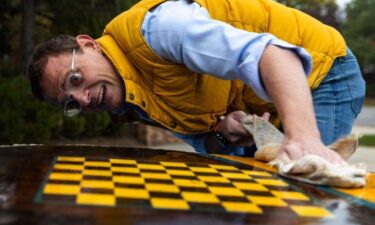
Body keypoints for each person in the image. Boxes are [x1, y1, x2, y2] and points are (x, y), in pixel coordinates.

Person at [28, 0, 365, 164]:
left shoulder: (160, 30)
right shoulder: (133, 97)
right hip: (265, 104)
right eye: (70, 102)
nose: (84, 100)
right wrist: (222, 131)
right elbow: (208, 142)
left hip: (321, 71)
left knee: (306, 195)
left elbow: (275, 55)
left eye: (75, 79)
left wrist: (303, 137)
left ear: (89, 44)